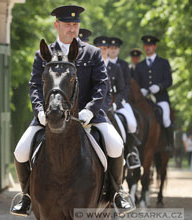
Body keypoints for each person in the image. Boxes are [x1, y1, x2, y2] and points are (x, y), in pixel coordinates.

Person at [11, 5, 133, 216]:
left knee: (115, 144)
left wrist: (90, 111)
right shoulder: (44, 54)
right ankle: (26, 196)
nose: (72, 28)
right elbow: (34, 86)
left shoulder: (92, 53)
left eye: (75, 24)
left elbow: (101, 85)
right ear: (57, 25)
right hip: (50, 115)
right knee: (21, 150)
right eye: (67, 24)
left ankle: (116, 193)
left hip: (89, 116)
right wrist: (40, 111)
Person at [93, 36, 140, 169]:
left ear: (109, 50)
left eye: (105, 48)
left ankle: (131, 153)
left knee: (131, 123)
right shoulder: (92, 66)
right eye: (100, 48)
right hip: (96, 105)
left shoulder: (116, 67)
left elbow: (122, 88)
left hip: (114, 103)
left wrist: (116, 104)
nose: (102, 51)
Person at [134, 35, 173, 153]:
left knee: (166, 118)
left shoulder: (163, 62)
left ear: (155, 46)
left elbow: (169, 81)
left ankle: (169, 144)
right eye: (146, 45)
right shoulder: (139, 66)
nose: (148, 48)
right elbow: (136, 82)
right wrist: (141, 90)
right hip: (145, 99)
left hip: (160, 98)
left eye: (150, 45)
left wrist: (159, 87)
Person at [108, 37, 141, 168]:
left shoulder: (123, 65)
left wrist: (119, 101)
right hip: (104, 102)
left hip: (120, 101)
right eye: (111, 48)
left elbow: (126, 86)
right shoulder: (100, 62)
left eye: (115, 48)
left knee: (132, 123)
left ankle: (131, 152)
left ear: (118, 50)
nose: (113, 50)